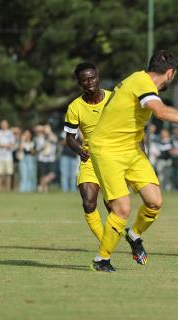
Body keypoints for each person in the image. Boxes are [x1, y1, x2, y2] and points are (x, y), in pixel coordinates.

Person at [88, 50, 178, 272]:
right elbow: (160, 112)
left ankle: (134, 235)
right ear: (170, 73)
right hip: (107, 149)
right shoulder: (142, 83)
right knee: (122, 209)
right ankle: (101, 260)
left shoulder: (139, 80)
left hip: (131, 149)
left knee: (154, 201)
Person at [63, 62, 112, 241]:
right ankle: (105, 242)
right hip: (90, 158)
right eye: (84, 80)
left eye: (92, 78)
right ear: (79, 83)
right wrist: (79, 151)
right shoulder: (74, 107)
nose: (89, 82)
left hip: (113, 157)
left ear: (98, 77)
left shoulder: (113, 98)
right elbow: (69, 138)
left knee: (113, 206)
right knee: (88, 202)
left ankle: (123, 236)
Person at [0, 119, 15, 192]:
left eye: (5, 124)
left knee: (8, 174)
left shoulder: (10, 134)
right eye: (2, 124)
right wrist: (6, 145)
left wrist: (1, 145)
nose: (4, 126)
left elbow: (12, 146)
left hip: (8, 157)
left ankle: (8, 189)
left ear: (7, 125)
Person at [36, 124, 57, 192]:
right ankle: (44, 190)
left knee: (52, 174)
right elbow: (38, 148)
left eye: (48, 129)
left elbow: (55, 140)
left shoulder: (52, 136)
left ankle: (41, 185)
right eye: (45, 129)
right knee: (43, 174)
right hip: (42, 158)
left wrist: (49, 133)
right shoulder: (40, 137)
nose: (46, 130)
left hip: (51, 158)